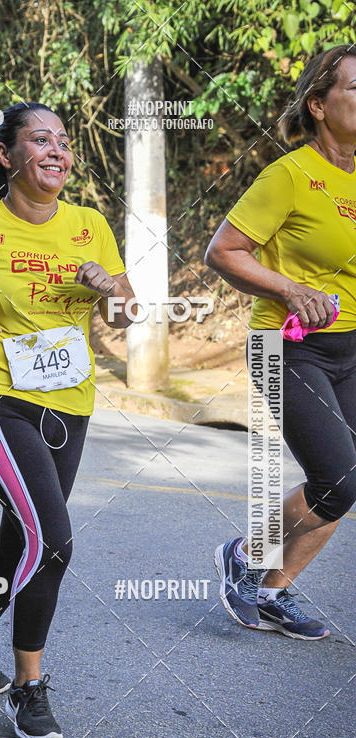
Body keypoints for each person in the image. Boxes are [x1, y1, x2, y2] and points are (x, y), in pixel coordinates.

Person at [0, 102, 135, 738]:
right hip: (0, 401)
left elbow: (126, 315)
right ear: (6, 155)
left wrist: (110, 290)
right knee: (54, 541)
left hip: (72, 404)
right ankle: (28, 687)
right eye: (40, 139)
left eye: (63, 141)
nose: (57, 150)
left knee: (22, 537)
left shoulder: (90, 225)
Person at [206, 44, 356, 640]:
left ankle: (272, 591)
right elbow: (224, 252)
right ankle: (244, 553)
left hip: (351, 348)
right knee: (339, 477)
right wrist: (292, 289)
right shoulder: (289, 176)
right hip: (287, 347)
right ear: (319, 105)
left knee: (348, 480)